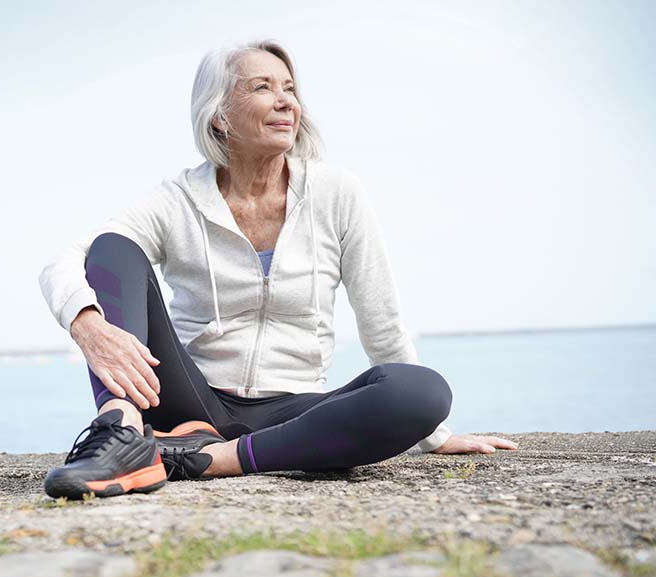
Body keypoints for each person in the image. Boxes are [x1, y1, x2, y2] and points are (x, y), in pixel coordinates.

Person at [37, 38, 518, 500]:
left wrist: (431, 434)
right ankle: (121, 434)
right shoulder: (177, 199)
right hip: (188, 399)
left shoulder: (336, 194)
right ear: (220, 115)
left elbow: (382, 321)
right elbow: (70, 260)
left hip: (294, 410)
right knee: (113, 247)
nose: (286, 101)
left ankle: (206, 459)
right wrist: (87, 323)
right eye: (263, 87)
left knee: (422, 390)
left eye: (290, 88)